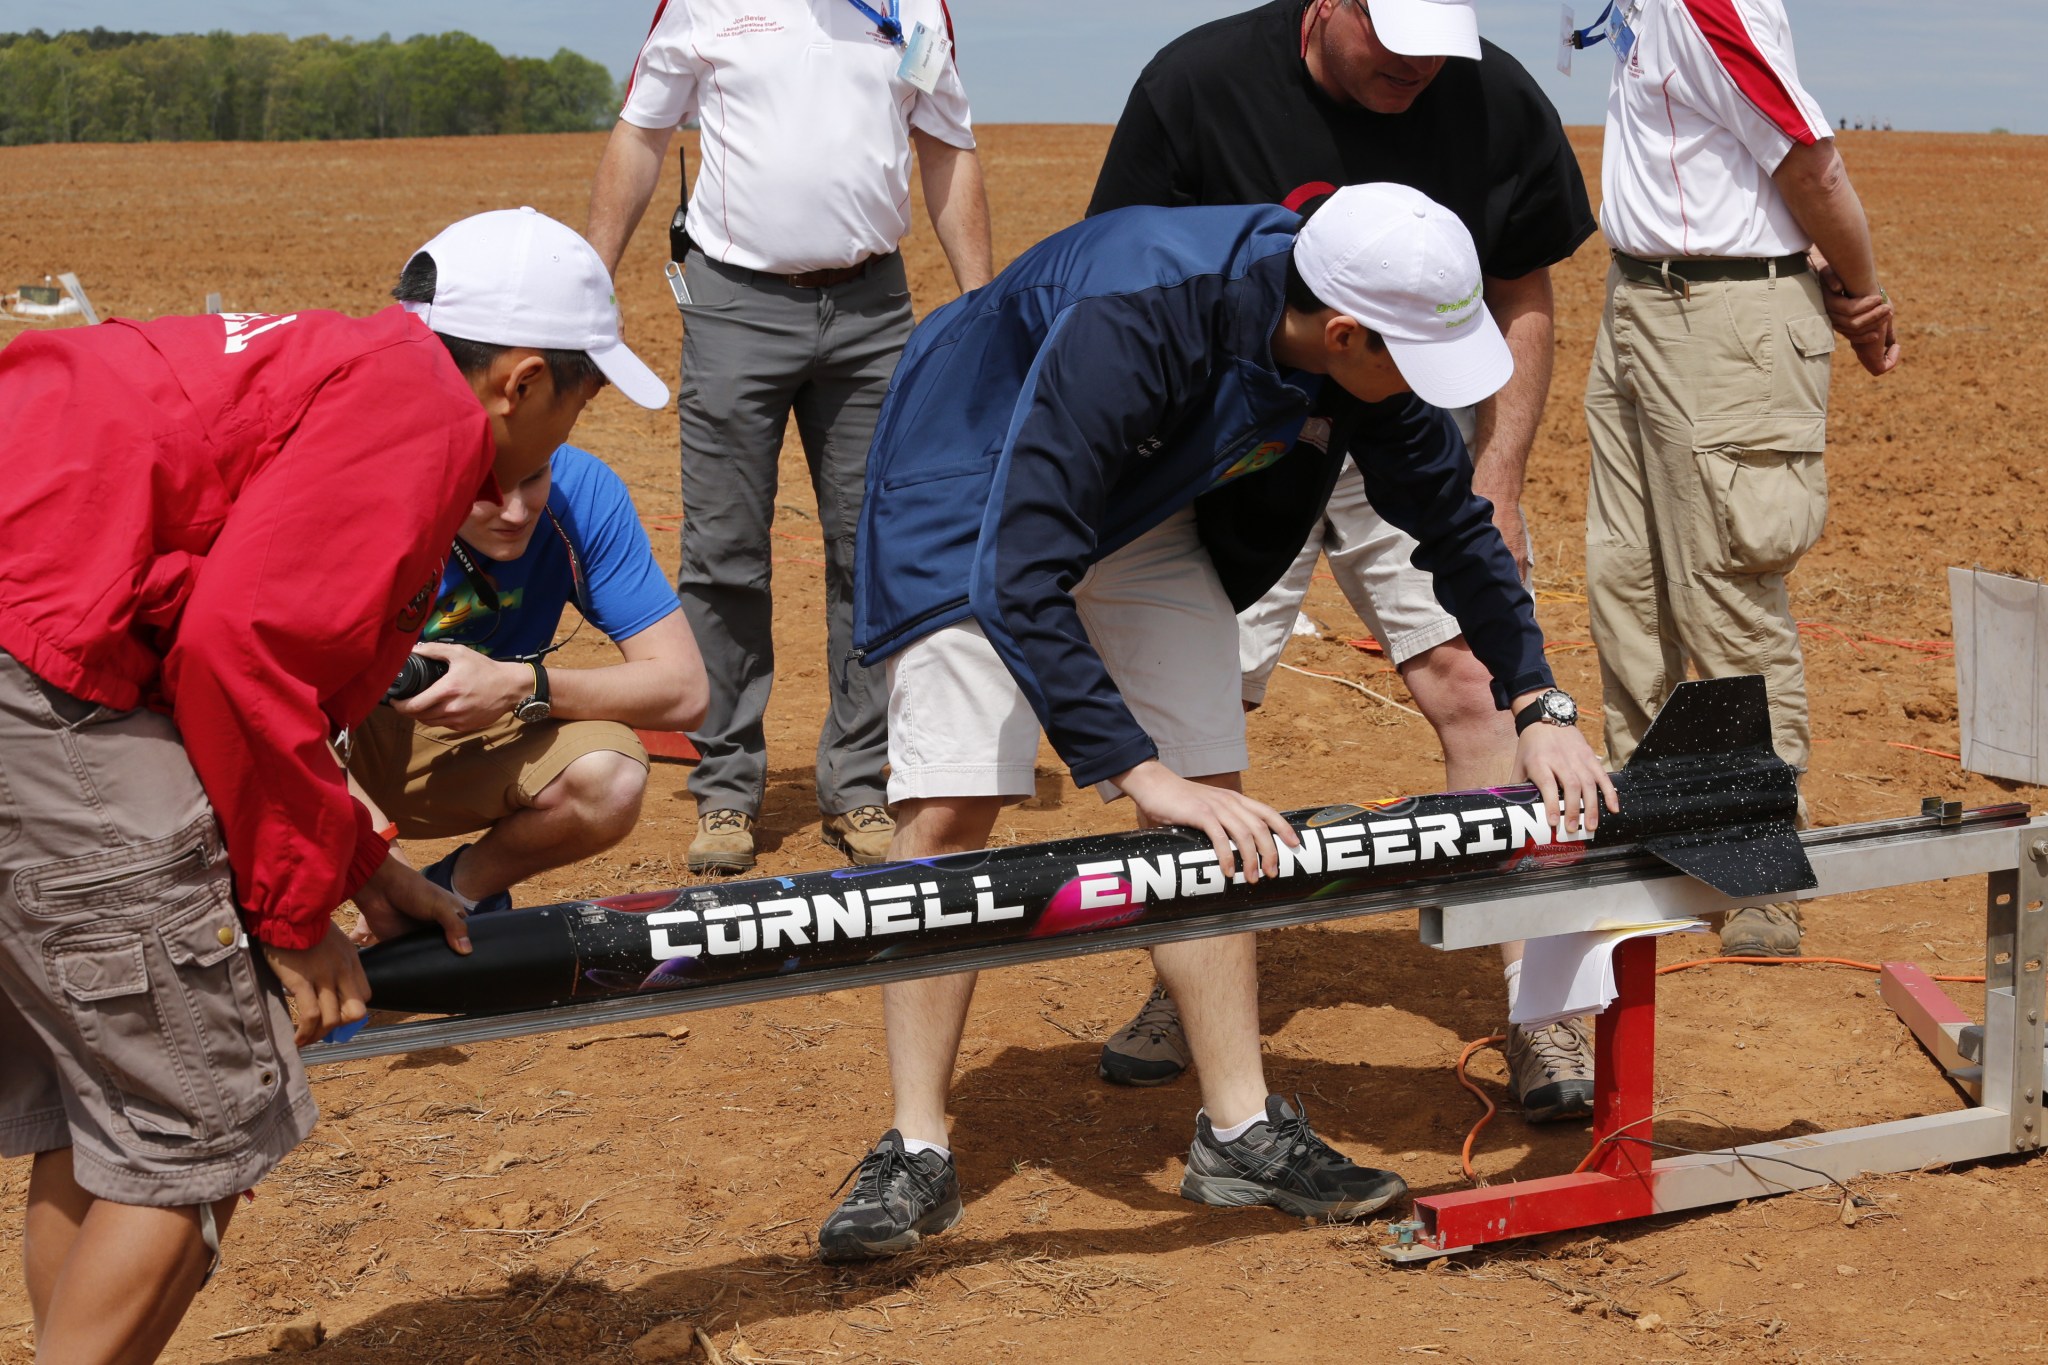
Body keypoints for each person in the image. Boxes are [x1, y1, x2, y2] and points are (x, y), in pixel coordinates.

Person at [818, 184, 1617, 1261]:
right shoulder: (1136, 312)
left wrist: (1538, 699)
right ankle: (914, 1144)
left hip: (1139, 487)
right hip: (971, 476)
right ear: (1342, 333)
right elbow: (1018, 569)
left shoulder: (1352, 335)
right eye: (1413, 363)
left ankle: (1238, 1132)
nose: (1422, 392)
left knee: (1214, 800)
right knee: (954, 799)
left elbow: (1451, 523)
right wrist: (1134, 773)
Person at [0, 205, 667, 1364]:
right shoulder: (422, 421)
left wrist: (358, 861)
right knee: (197, 1123)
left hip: (40, 628)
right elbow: (236, 652)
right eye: (580, 398)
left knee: (102, 1093)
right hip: (40, 673)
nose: (572, 428)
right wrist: (294, 913)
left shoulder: (341, 359)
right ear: (517, 384)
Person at [1085, 0, 1605, 1122]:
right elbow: (1126, 278)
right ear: (1327, 8)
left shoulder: (1491, 94)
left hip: (1402, 427)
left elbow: (1519, 289)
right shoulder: (1196, 83)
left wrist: (1497, 472)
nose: (1417, 67)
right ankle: (1195, 976)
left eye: (1437, 48)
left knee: (1480, 690)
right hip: (1228, 452)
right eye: (1393, 42)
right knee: (1194, 717)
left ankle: (1540, 1003)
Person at [585, 0, 995, 875]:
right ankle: (727, 790)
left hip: (873, 308)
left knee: (873, 550)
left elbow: (946, 145)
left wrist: (981, 302)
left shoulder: (913, 9)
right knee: (725, 551)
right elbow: (641, 132)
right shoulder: (702, 5)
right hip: (735, 303)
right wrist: (591, 278)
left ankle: (857, 783)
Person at [1584, 0, 1898, 957]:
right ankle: (1651, 820)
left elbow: (1812, 161)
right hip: (1640, 296)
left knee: (1722, 587)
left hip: (1724, 320)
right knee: (1625, 580)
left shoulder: (1707, 4)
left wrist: (1859, 289)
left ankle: (1756, 852)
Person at [346, 443, 708, 922]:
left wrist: (520, 683)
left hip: (472, 727)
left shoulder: (579, 490)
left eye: (534, 477)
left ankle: (461, 895)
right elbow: (271, 712)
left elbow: (685, 689)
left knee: (609, 778)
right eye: (485, 491)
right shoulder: (363, 488)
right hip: (333, 738)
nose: (515, 512)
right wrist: (386, 877)